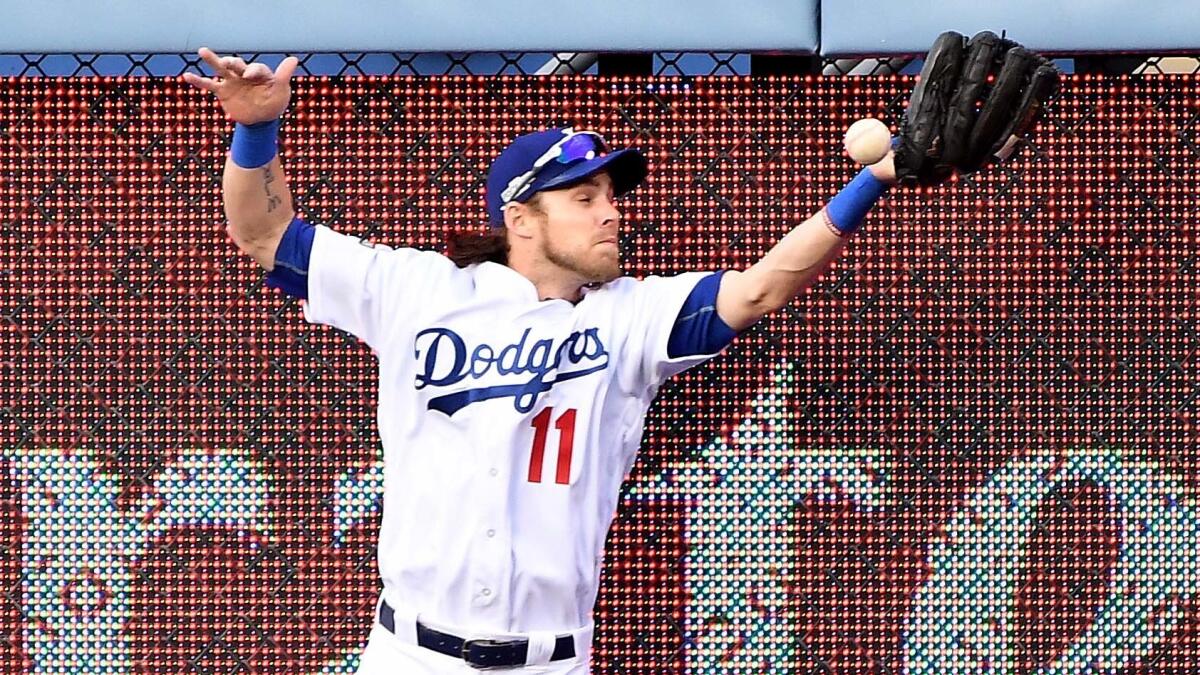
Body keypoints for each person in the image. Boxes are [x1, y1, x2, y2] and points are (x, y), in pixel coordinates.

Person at [182, 32, 1055, 673]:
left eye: (612, 193)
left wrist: (871, 181)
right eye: (585, 194)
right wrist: (256, 129)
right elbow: (263, 233)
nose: (611, 211)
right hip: (409, 653)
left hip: (551, 663)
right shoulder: (417, 290)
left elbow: (755, 289)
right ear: (520, 217)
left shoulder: (630, 320)